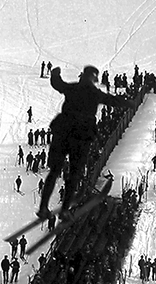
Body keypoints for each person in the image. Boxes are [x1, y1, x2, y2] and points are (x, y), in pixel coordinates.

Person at [36, 65, 131, 219]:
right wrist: (128, 103)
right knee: (74, 174)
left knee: (54, 171)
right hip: (81, 136)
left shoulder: (72, 88)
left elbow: (57, 84)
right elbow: (112, 100)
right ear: (93, 78)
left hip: (63, 131)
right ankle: (65, 210)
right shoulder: (95, 94)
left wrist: (55, 74)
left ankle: (43, 208)